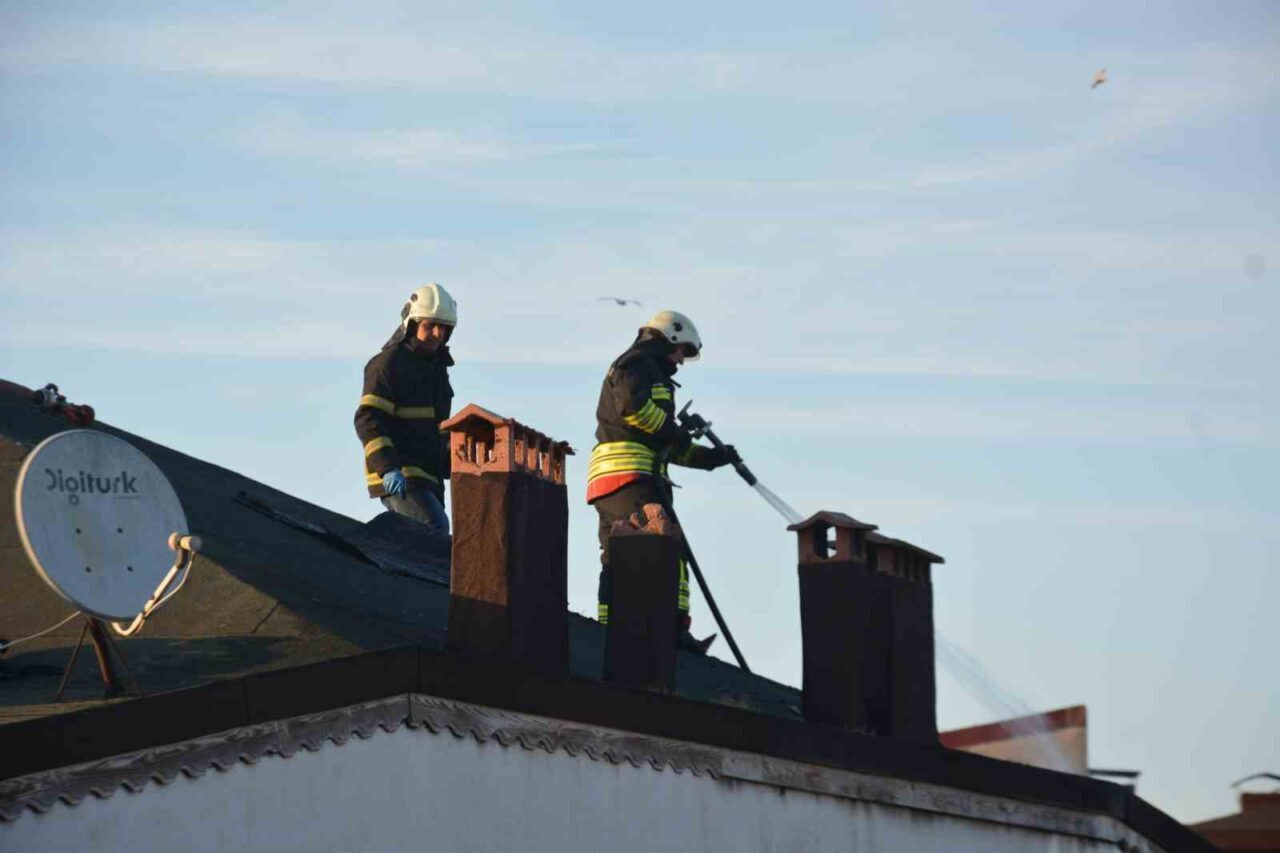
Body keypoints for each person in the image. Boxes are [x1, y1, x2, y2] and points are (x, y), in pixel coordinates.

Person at [586, 310, 740, 652]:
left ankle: (607, 630)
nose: (681, 361)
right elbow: (634, 409)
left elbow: (667, 446)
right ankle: (675, 630)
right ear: (668, 336)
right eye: (681, 351)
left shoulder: (642, 368)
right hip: (632, 476)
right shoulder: (638, 362)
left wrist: (712, 459)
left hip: (612, 479)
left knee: (617, 556)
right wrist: (677, 433)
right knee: (668, 548)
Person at [355, 283, 457, 533]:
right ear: (411, 325)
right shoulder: (387, 365)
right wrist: (387, 468)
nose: (436, 333)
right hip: (401, 474)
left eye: (443, 327)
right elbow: (368, 419)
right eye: (428, 325)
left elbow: (437, 429)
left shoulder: (436, 371)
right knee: (432, 531)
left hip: (428, 477)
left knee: (431, 542)